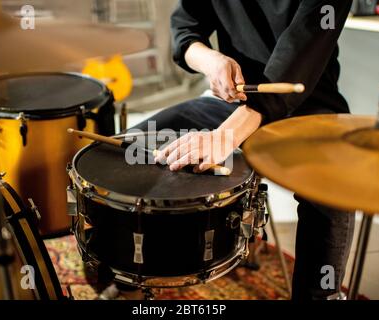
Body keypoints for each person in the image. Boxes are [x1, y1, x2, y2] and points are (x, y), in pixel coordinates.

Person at [129, 0, 355, 300]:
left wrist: (224, 137)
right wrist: (211, 60)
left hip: (311, 110)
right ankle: (130, 270)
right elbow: (184, 28)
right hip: (230, 104)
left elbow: (303, 47)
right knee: (129, 149)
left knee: (332, 194)